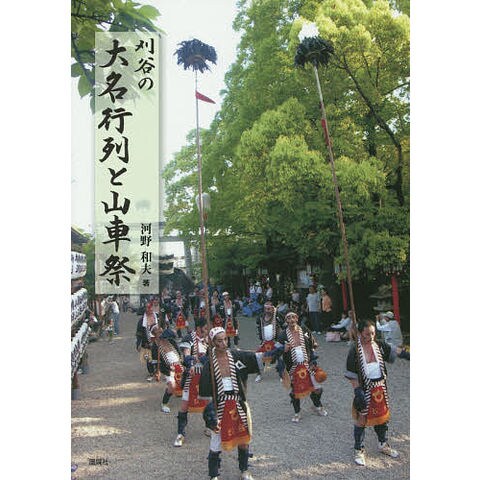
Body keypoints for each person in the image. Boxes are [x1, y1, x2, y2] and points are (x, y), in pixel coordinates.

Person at [199, 327, 264, 480]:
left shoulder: (236, 355)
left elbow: (257, 357)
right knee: (216, 442)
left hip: (238, 403)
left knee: (243, 439)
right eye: (219, 341)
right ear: (213, 343)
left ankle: (244, 470)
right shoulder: (209, 364)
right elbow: (206, 394)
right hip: (220, 405)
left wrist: (277, 351)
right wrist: (210, 414)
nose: (224, 343)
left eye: (225, 339)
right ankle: (213, 475)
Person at [345, 319, 408, 466]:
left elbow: (395, 351)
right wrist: (357, 390)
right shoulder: (355, 350)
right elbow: (351, 374)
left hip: (380, 387)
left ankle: (383, 444)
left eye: (373, 333)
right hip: (364, 388)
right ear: (360, 333)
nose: (371, 336)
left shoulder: (379, 345)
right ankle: (359, 449)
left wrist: (407, 355)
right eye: (367, 334)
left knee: (382, 417)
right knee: (362, 418)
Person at [267, 311, 327, 422]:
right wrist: (283, 349)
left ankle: (317, 406)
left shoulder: (304, 330)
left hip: (308, 365)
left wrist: (313, 361)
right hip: (292, 368)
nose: (291, 320)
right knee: (295, 392)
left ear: (297, 319)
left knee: (318, 388)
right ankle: (297, 412)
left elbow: (313, 346)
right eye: (288, 318)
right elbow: (275, 352)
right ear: (286, 321)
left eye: (293, 317)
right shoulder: (282, 335)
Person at [174, 317, 210, 447]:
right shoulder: (188, 338)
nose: (206, 331)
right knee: (184, 406)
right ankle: (180, 434)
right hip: (191, 377)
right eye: (205, 328)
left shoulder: (208, 340)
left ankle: (209, 427)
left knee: (208, 404)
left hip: (205, 377)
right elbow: (186, 356)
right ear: (198, 328)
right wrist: (192, 362)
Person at [151, 322, 184, 414]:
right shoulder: (155, 346)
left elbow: (179, 352)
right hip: (168, 369)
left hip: (180, 365)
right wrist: (157, 372)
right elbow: (155, 362)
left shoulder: (171, 341)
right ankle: (164, 404)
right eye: (158, 332)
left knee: (188, 384)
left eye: (161, 331)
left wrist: (181, 362)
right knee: (171, 386)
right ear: (154, 334)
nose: (161, 333)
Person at [254, 301, 281, 383]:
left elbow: (284, 325)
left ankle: (282, 374)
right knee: (257, 356)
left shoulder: (277, 317)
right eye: (266, 309)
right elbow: (258, 327)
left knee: (281, 357)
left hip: (275, 341)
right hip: (264, 342)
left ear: (272, 309)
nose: (267, 310)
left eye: (269, 309)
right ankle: (258, 374)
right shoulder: (260, 318)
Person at [135, 302, 158, 381]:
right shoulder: (141, 321)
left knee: (157, 357)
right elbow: (139, 333)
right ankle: (151, 372)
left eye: (151, 308)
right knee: (148, 358)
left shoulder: (157, 317)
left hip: (157, 341)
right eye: (148, 308)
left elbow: (163, 326)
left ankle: (157, 370)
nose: (150, 310)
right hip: (146, 342)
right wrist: (138, 343)